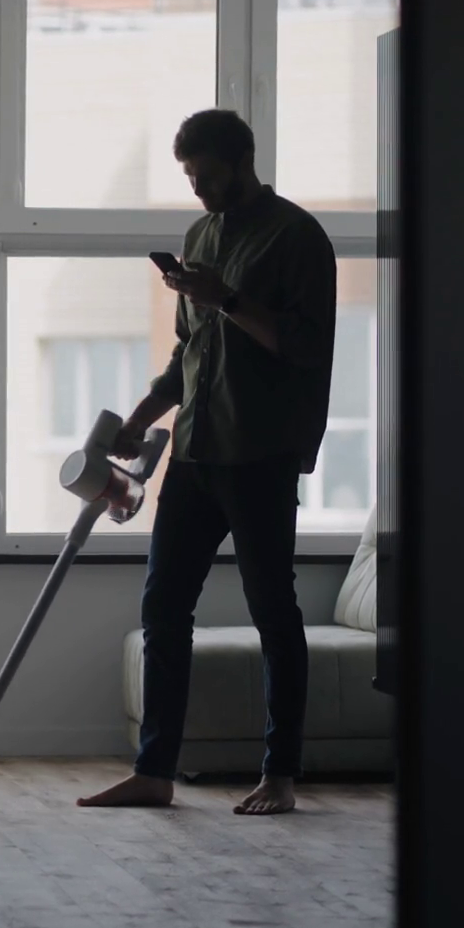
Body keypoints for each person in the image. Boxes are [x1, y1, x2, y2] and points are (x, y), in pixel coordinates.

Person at [77, 109, 336, 816]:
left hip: (260, 453)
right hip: (194, 450)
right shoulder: (200, 237)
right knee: (163, 607)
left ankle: (280, 775)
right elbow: (188, 354)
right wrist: (140, 419)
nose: (198, 190)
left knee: (273, 611)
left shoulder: (297, 237)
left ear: (242, 161)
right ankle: (154, 771)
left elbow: (305, 345)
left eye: (208, 175)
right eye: (190, 177)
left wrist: (225, 298)